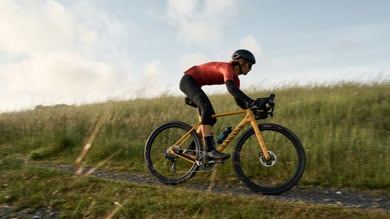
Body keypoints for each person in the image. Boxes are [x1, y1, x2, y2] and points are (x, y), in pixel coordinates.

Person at [179, 49, 256, 160]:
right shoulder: (227, 68)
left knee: (211, 119)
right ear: (240, 61)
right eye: (249, 65)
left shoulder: (236, 79)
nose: (250, 69)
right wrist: (252, 101)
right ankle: (209, 150)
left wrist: (252, 108)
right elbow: (231, 89)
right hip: (188, 80)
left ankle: (190, 149)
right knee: (206, 108)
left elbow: (238, 100)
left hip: (195, 84)